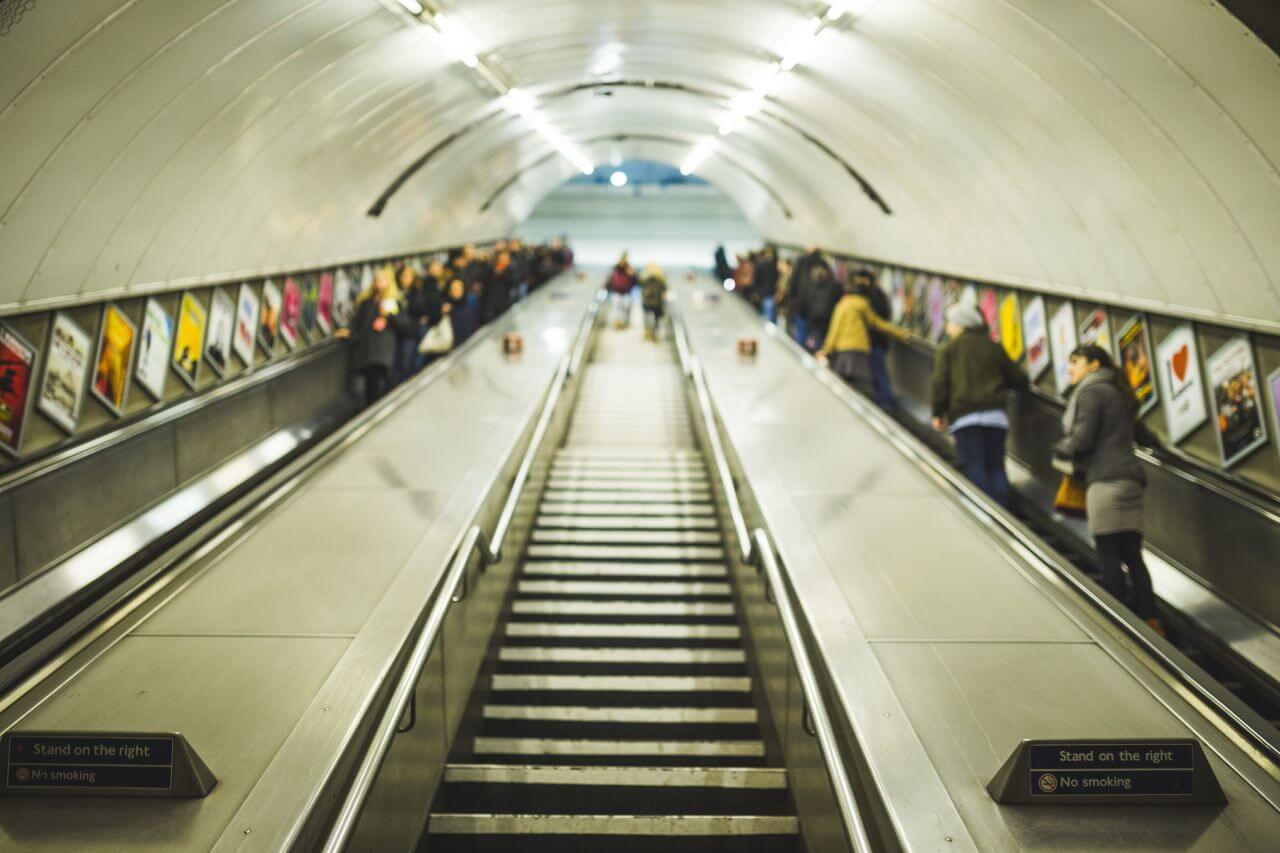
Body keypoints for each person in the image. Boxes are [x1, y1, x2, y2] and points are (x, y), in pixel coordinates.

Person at [1053, 345, 1163, 634]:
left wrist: (1060, 448)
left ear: (1094, 364)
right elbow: (1144, 435)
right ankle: (1151, 621)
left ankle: (1119, 623)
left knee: (1108, 555)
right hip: (1131, 482)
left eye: (1075, 362)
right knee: (1132, 555)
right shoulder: (1119, 392)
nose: (1071, 369)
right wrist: (1169, 451)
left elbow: (1083, 438)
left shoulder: (1091, 392)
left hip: (1105, 480)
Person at [930, 302, 1028, 507]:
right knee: (996, 466)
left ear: (960, 324)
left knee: (974, 466)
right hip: (995, 417)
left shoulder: (948, 349)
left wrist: (937, 413)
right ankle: (1004, 511)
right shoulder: (992, 346)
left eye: (950, 323)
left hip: (965, 418)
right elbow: (1018, 378)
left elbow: (940, 383)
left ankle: (985, 512)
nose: (947, 327)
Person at [817, 276, 911, 392]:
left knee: (843, 386)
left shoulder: (842, 305)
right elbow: (878, 323)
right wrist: (902, 333)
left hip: (845, 351)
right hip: (861, 351)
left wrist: (825, 350)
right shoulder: (863, 304)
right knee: (858, 386)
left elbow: (834, 330)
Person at [337, 267, 411, 406]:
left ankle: (374, 407)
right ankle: (371, 408)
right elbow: (357, 322)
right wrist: (348, 332)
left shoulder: (395, 302)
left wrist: (388, 315)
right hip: (367, 347)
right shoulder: (367, 302)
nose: (379, 284)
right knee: (370, 381)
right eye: (377, 280)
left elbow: (404, 324)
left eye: (383, 280)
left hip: (384, 349)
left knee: (377, 379)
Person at [851, 268, 896, 409]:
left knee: (878, 371)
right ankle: (883, 399)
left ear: (866, 280)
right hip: (877, 340)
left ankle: (885, 400)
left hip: (874, 340)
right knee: (877, 371)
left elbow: (875, 321)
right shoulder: (879, 294)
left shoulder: (869, 297)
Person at [607, 252, 637, 328]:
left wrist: (632, 275)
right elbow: (610, 280)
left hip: (626, 292)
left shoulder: (629, 269)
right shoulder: (615, 269)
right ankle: (617, 323)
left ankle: (624, 323)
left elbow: (635, 282)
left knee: (625, 309)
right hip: (616, 292)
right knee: (616, 309)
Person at [640, 262, 668, 341]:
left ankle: (650, 333)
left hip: (650, 302)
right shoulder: (660, 279)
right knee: (655, 320)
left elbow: (663, 291)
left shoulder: (646, 278)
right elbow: (664, 292)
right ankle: (653, 333)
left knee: (650, 319)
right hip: (654, 302)